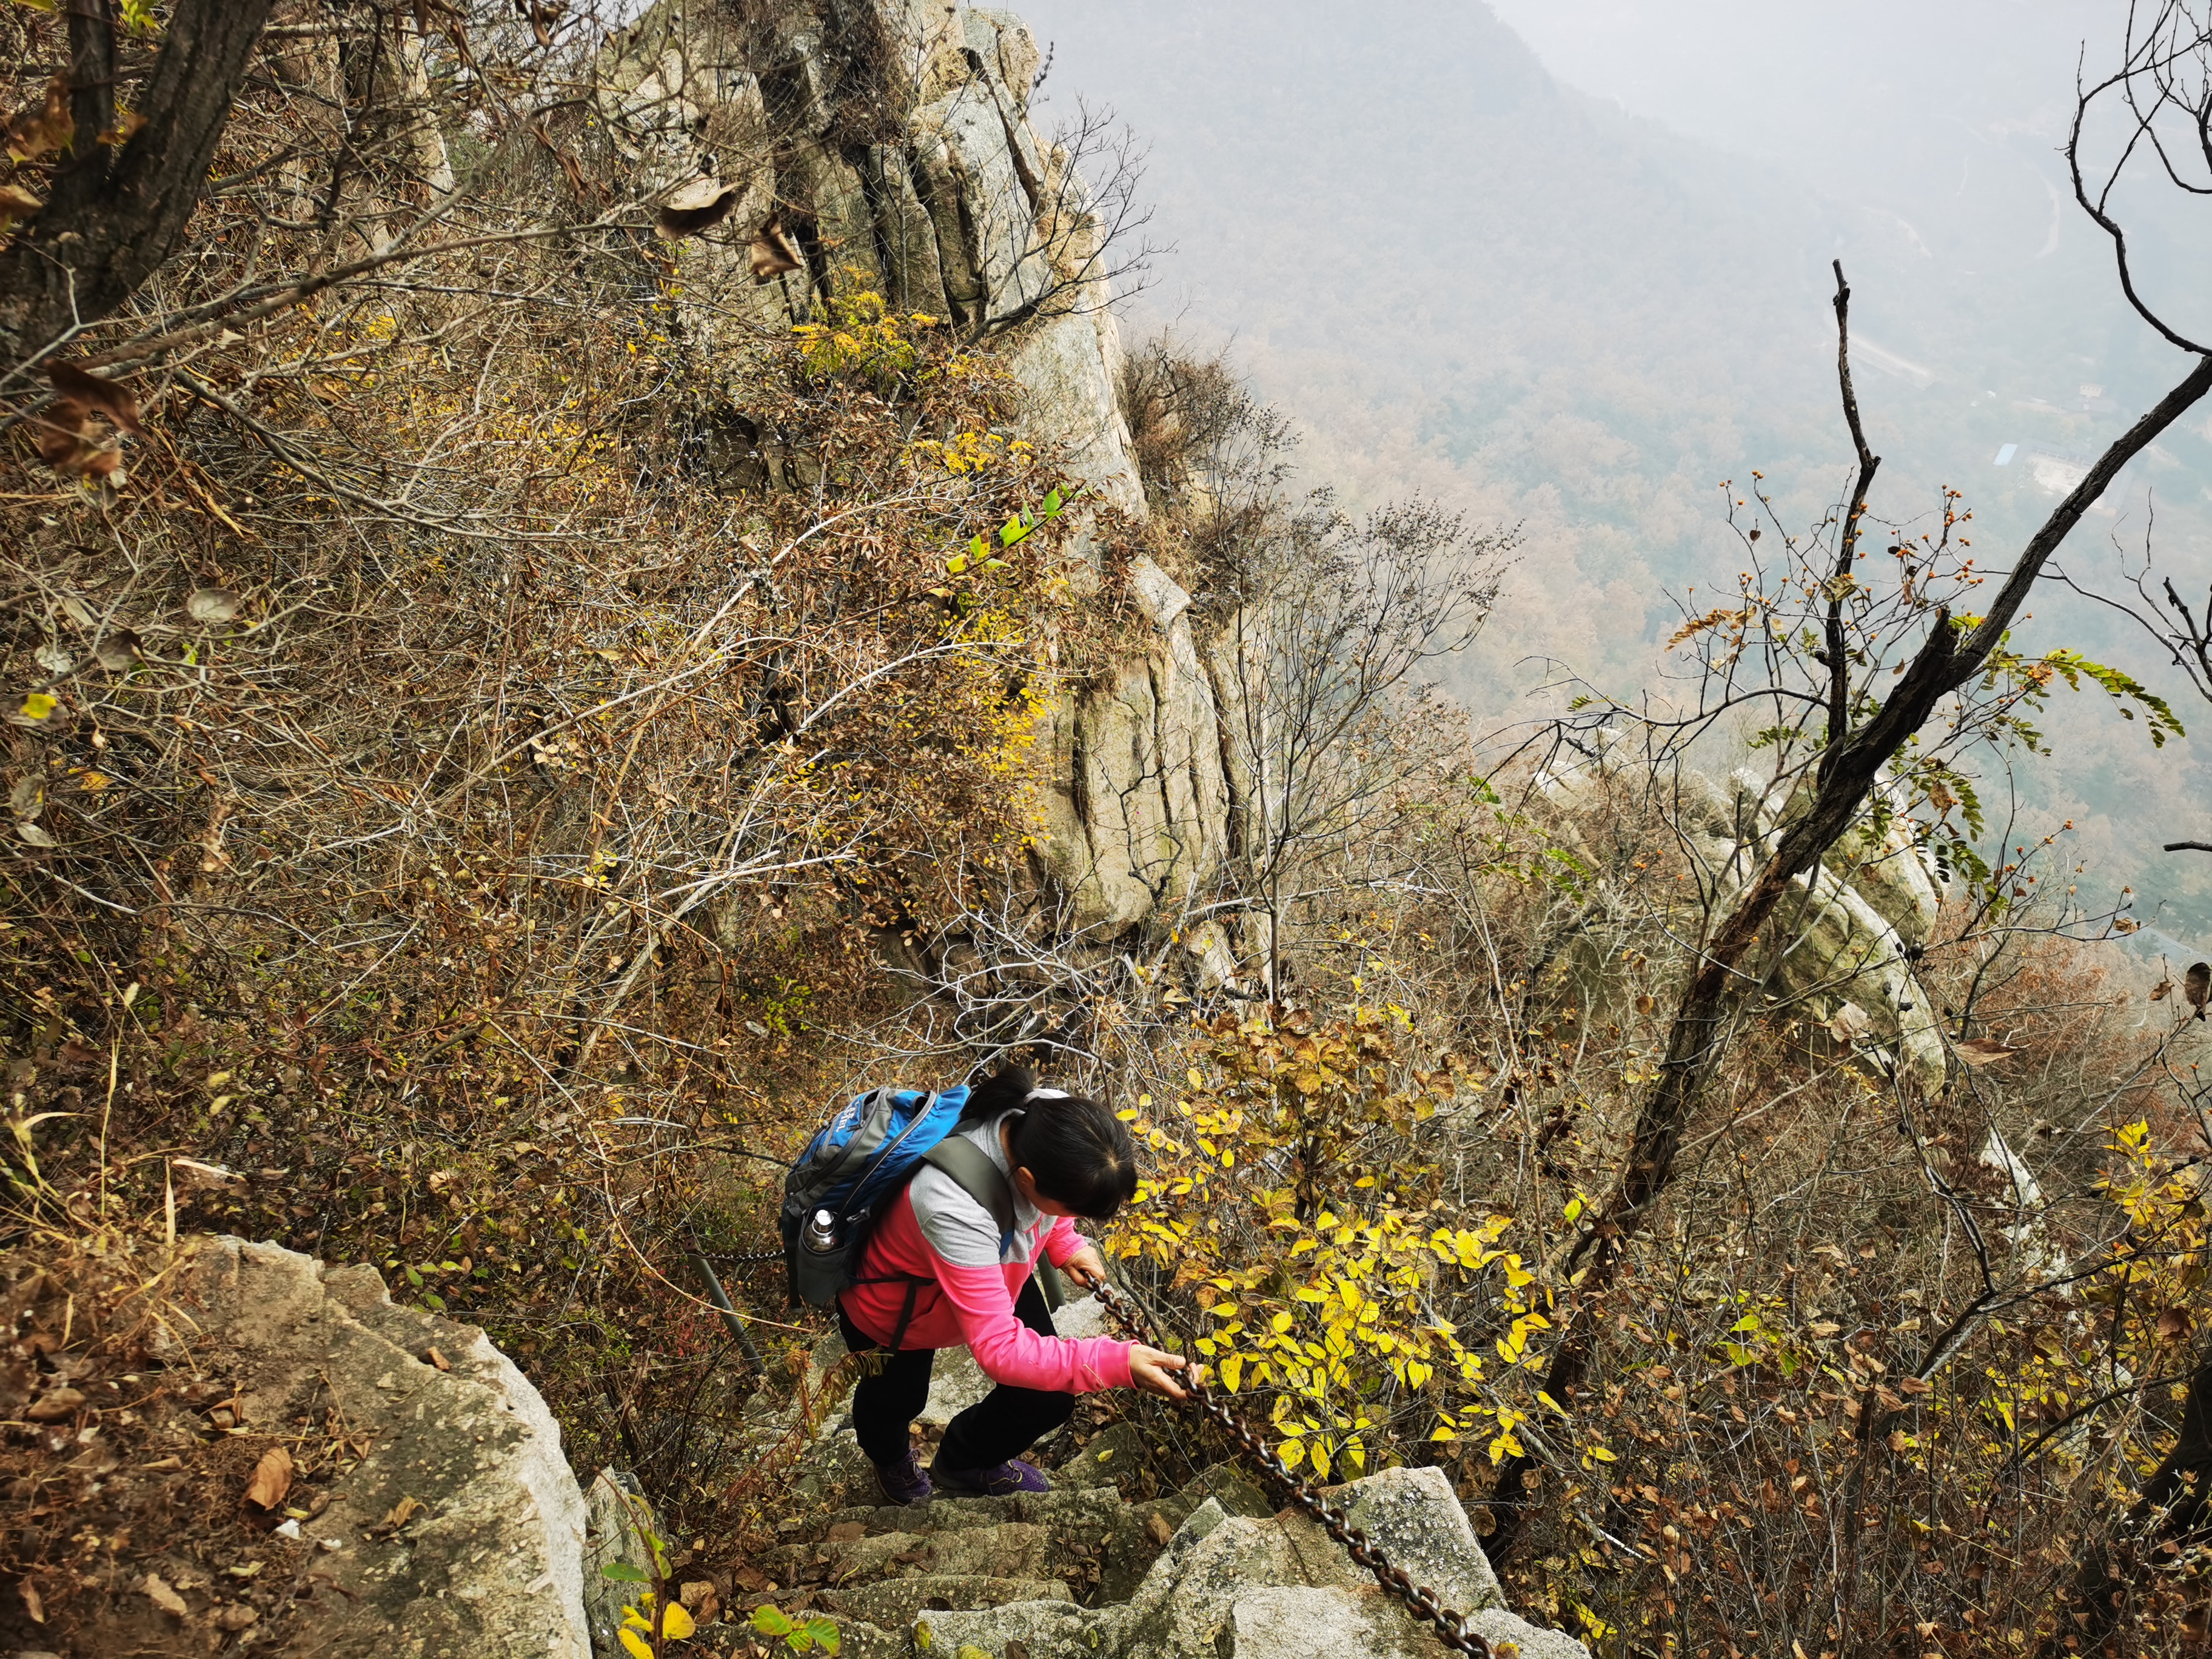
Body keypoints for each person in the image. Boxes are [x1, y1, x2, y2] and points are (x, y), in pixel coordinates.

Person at [835, 1065, 1190, 1504]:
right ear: (1025, 1181)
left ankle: (963, 1463)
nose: (1070, 1214)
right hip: (894, 1308)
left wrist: (1066, 1242)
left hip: (994, 1265)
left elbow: (1052, 1207)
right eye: (1072, 1209)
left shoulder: (1049, 1114)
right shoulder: (950, 1204)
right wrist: (1116, 1362)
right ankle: (890, 1461)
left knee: (1046, 1399)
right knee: (897, 1399)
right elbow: (999, 1351)